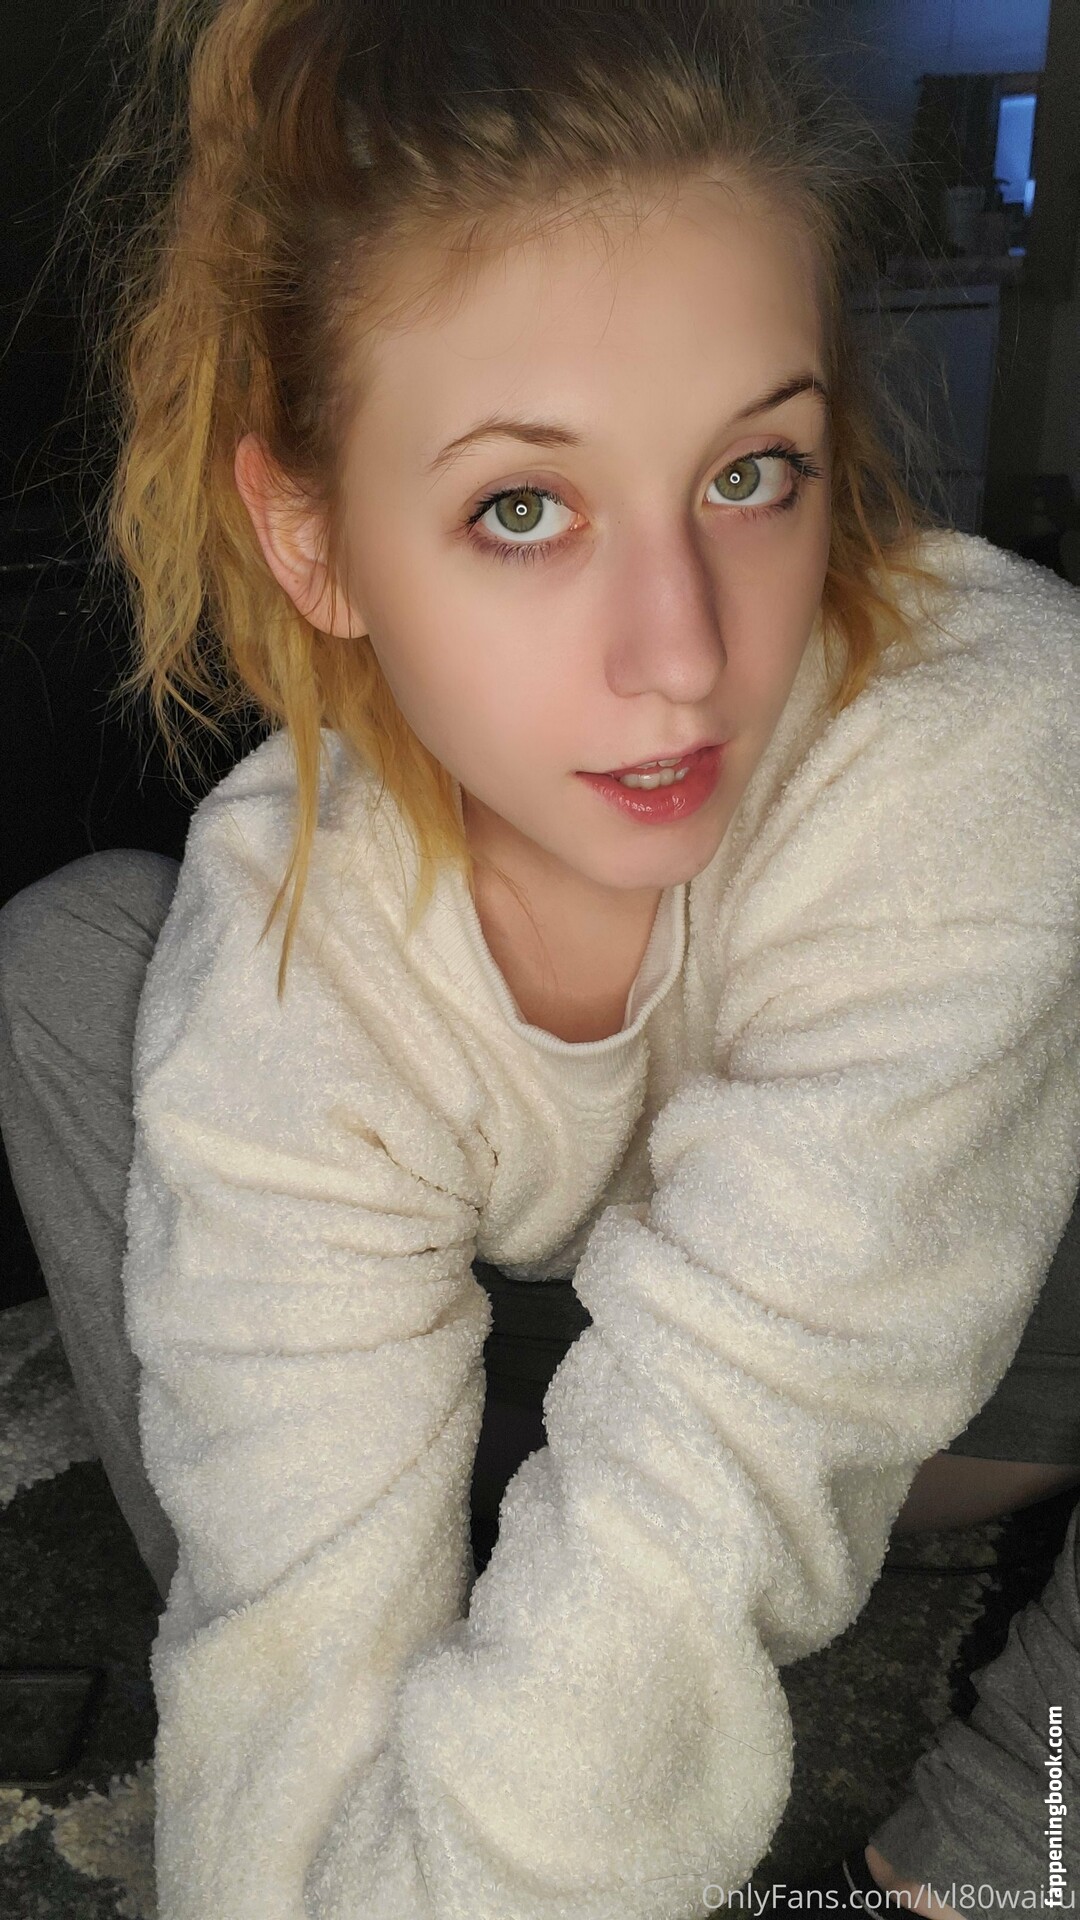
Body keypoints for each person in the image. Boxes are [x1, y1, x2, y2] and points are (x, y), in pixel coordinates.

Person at [1, 1, 1078, 1914]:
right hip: (564, 1376)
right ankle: (493, 1644)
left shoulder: (970, 732)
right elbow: (291, 1615)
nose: (683, 651)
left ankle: (996, 1853)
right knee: (73, 955)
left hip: (954, 1386)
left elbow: (749, 1426)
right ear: (315, 542)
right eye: (523, 508)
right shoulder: (298, 911)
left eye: (752, 474)